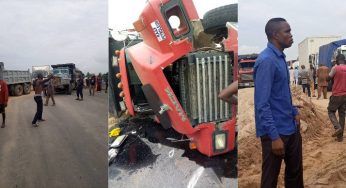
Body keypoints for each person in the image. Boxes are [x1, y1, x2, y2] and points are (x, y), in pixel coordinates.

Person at [254, 18, 303, 188]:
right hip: (275, 133)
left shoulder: (280, 58)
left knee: (295, 175)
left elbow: (281, 94)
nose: (291, 35)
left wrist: (294, 111)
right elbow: (262, 103)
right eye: (287, 31)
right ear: (275, 35)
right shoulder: (266, 60)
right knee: (270, 180)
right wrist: (274, 137)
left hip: (290, 127)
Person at [327, 54, 346, 142]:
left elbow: (328, 78)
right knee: (342, 115)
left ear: (337, 60)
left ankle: (337, 127)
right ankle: (340, 137)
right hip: (345, 95)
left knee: (331, 111)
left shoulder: (335, 68)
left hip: (336, 94)